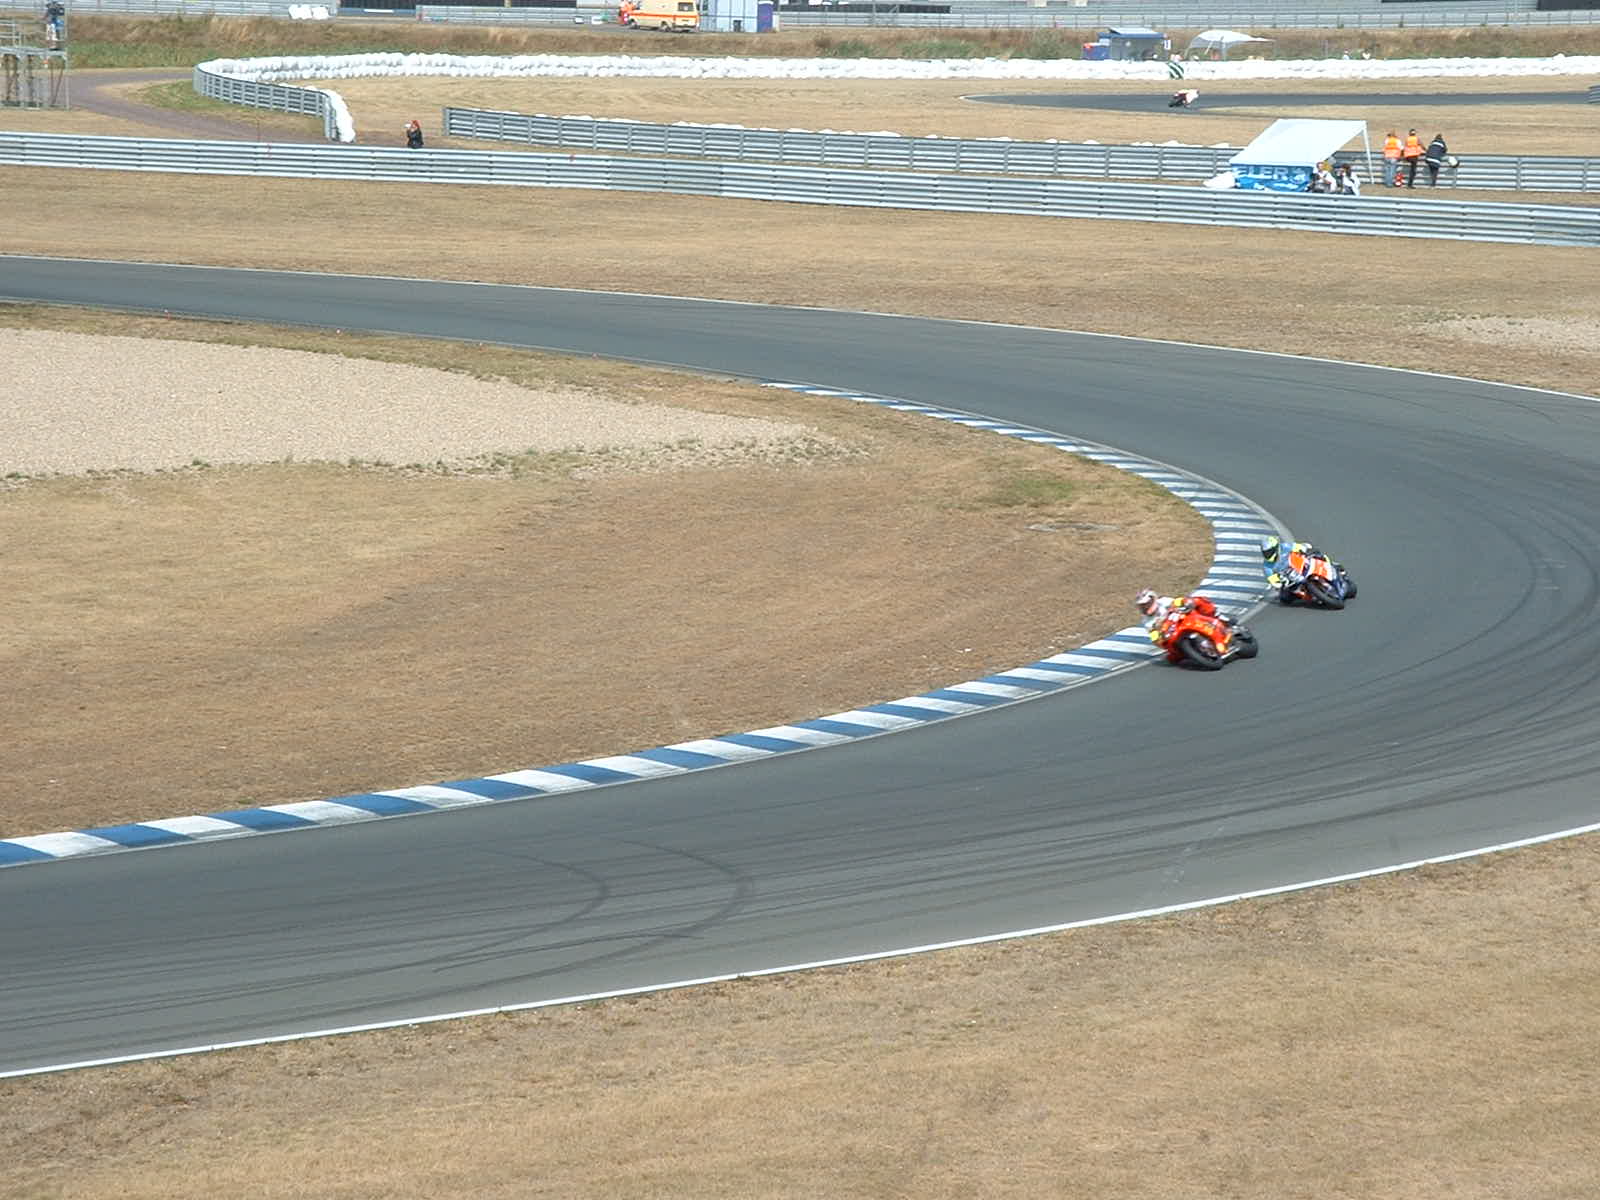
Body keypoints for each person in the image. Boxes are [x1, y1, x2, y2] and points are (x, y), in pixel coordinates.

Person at [1259, 535, 1352, 603]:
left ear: (1276, 548)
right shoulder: (1267, 566)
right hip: (1290, 578)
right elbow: (1272, 580)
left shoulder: (1285, 547)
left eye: (1269, 552)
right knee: (1284, 598)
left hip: (1301, 565)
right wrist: (1280, 583)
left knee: (1317, 555)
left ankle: (1332, 566)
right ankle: (1310, 596)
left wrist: (1304, 549)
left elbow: (1298, 547)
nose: (1268, 554)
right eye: (1265, 553)